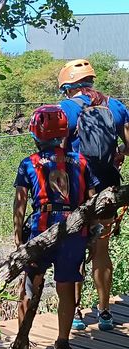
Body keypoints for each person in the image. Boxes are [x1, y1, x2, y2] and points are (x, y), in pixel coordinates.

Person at [14, 105, 98, 349]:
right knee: (66, 288)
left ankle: (22, 342)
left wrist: (18, 238)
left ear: (36, 135)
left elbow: (20, 201)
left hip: (42, 227)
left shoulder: (29, 163)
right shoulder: (82, 161)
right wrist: (91, 233)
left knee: (29, 285)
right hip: (74, 228)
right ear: (64, 133)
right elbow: (93, 199)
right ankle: (62, 344)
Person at [57, 59, 129, 331]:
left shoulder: (66, 109)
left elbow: (58, 152)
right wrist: (118, 155)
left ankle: (75, 313)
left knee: (76, 248)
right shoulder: (116, 106)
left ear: (67, 87)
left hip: (77, 188)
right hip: (109, 186)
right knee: (102, 249)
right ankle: (105, 312)